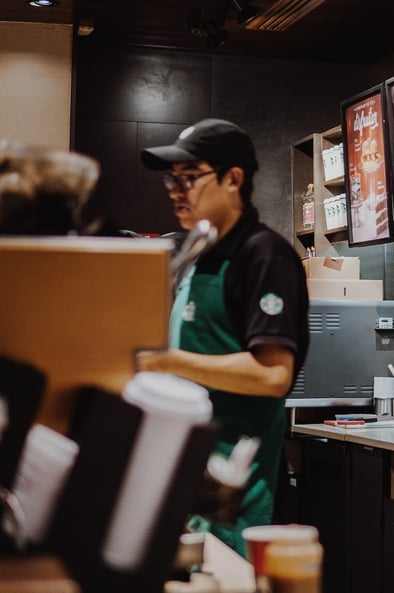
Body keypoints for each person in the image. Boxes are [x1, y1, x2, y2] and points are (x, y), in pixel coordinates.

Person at [135, 118, 309, 555]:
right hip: (187, 464)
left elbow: (273, 375)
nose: (176, 188)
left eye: (189, 177)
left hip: (235, 478)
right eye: (172, 179)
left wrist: (164, 361)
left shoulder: (263, 255)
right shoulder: (199, 253)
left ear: (233, 179)